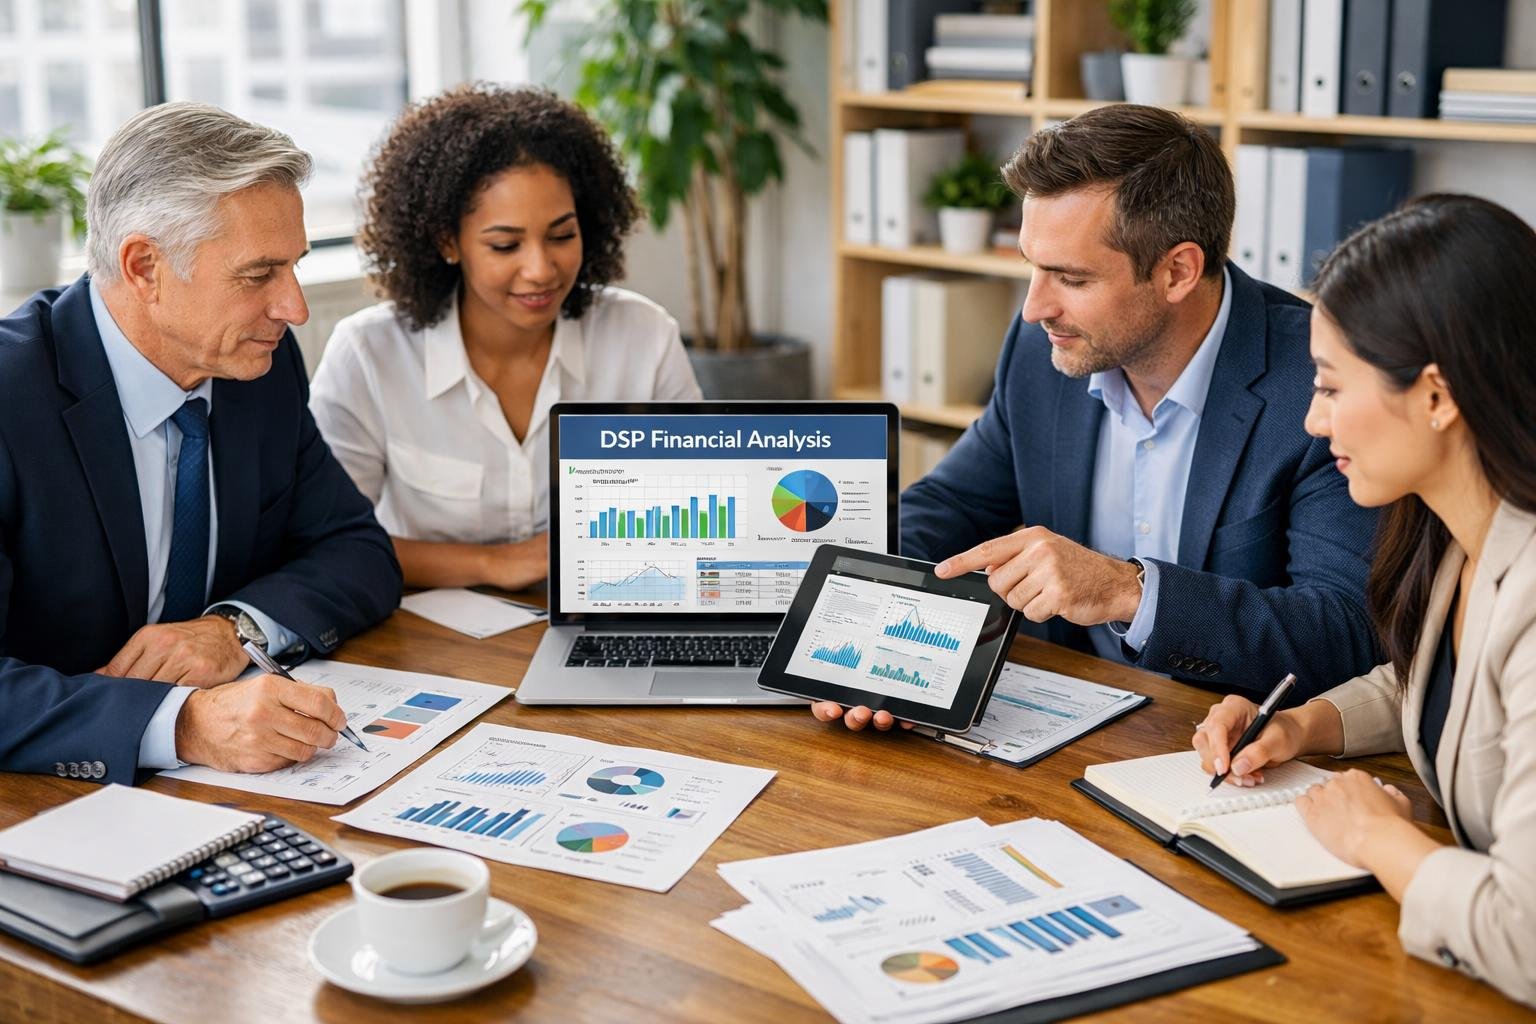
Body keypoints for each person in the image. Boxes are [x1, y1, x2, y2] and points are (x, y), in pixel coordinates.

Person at [814, 104, 1380, 731]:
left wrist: (1126, 591)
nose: (1034, 308)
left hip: (1229, 745)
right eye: (1034, 266)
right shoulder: (1045, 351)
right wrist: (865, 605)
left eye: (1071, 277)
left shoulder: (1319, 382)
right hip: (1071, 721)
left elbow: (1346, 632)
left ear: (1177, 271)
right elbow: (952, 507)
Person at [1192, 194, 1536, 1006]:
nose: (1313, 421)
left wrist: (1378, 838)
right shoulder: (1456, 533)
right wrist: (1305, 725)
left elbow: (1525, 940)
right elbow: (1443, 678)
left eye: (1332, 386)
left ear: (1437, 397)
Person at [0, 102, 402, 785]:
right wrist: (183, 723)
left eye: (295, 267)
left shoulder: (256, 367)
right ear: (144, 267)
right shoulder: (12, 397)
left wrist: (232, 630)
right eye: (258, 275)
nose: (294, 308)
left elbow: (359, 551)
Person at [309, 84, 702, 593]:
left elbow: (699, 515)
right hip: (428, 644)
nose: (540, 269)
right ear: (448, 241)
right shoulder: (369, 355)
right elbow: (330, 544)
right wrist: (498, 563)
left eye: (562, 236)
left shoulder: (644, 337)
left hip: (600, 618)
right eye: (505, 244)